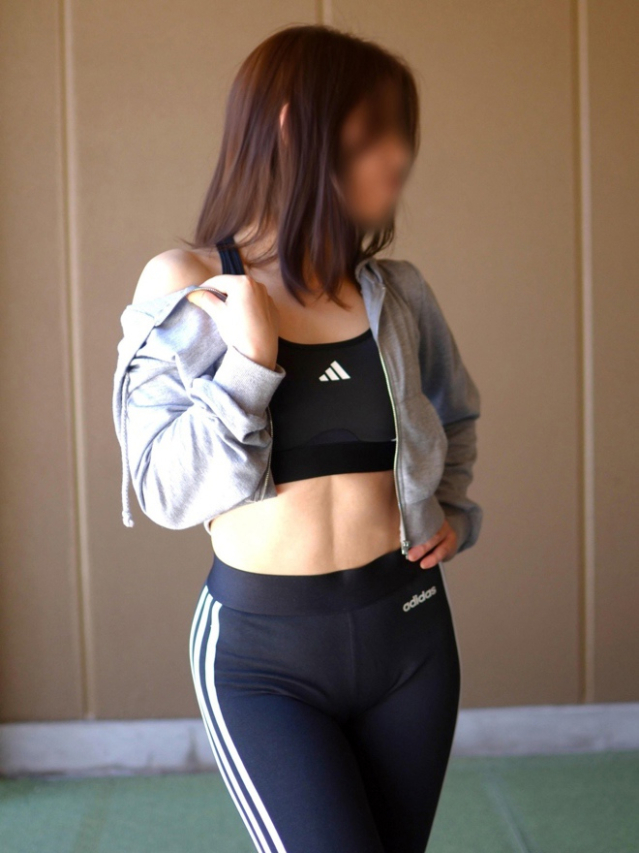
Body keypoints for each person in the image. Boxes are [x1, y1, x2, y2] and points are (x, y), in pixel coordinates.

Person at [112, 23, 483, 853]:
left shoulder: (398, 293)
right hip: (262, 662)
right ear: (291, 126)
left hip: (412, 638)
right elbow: (163, 488)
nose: (399, 156)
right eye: (375, 130)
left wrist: (452, 510)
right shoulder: (186, 286)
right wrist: (249, 362)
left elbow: (453, 412)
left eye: (402, 133)